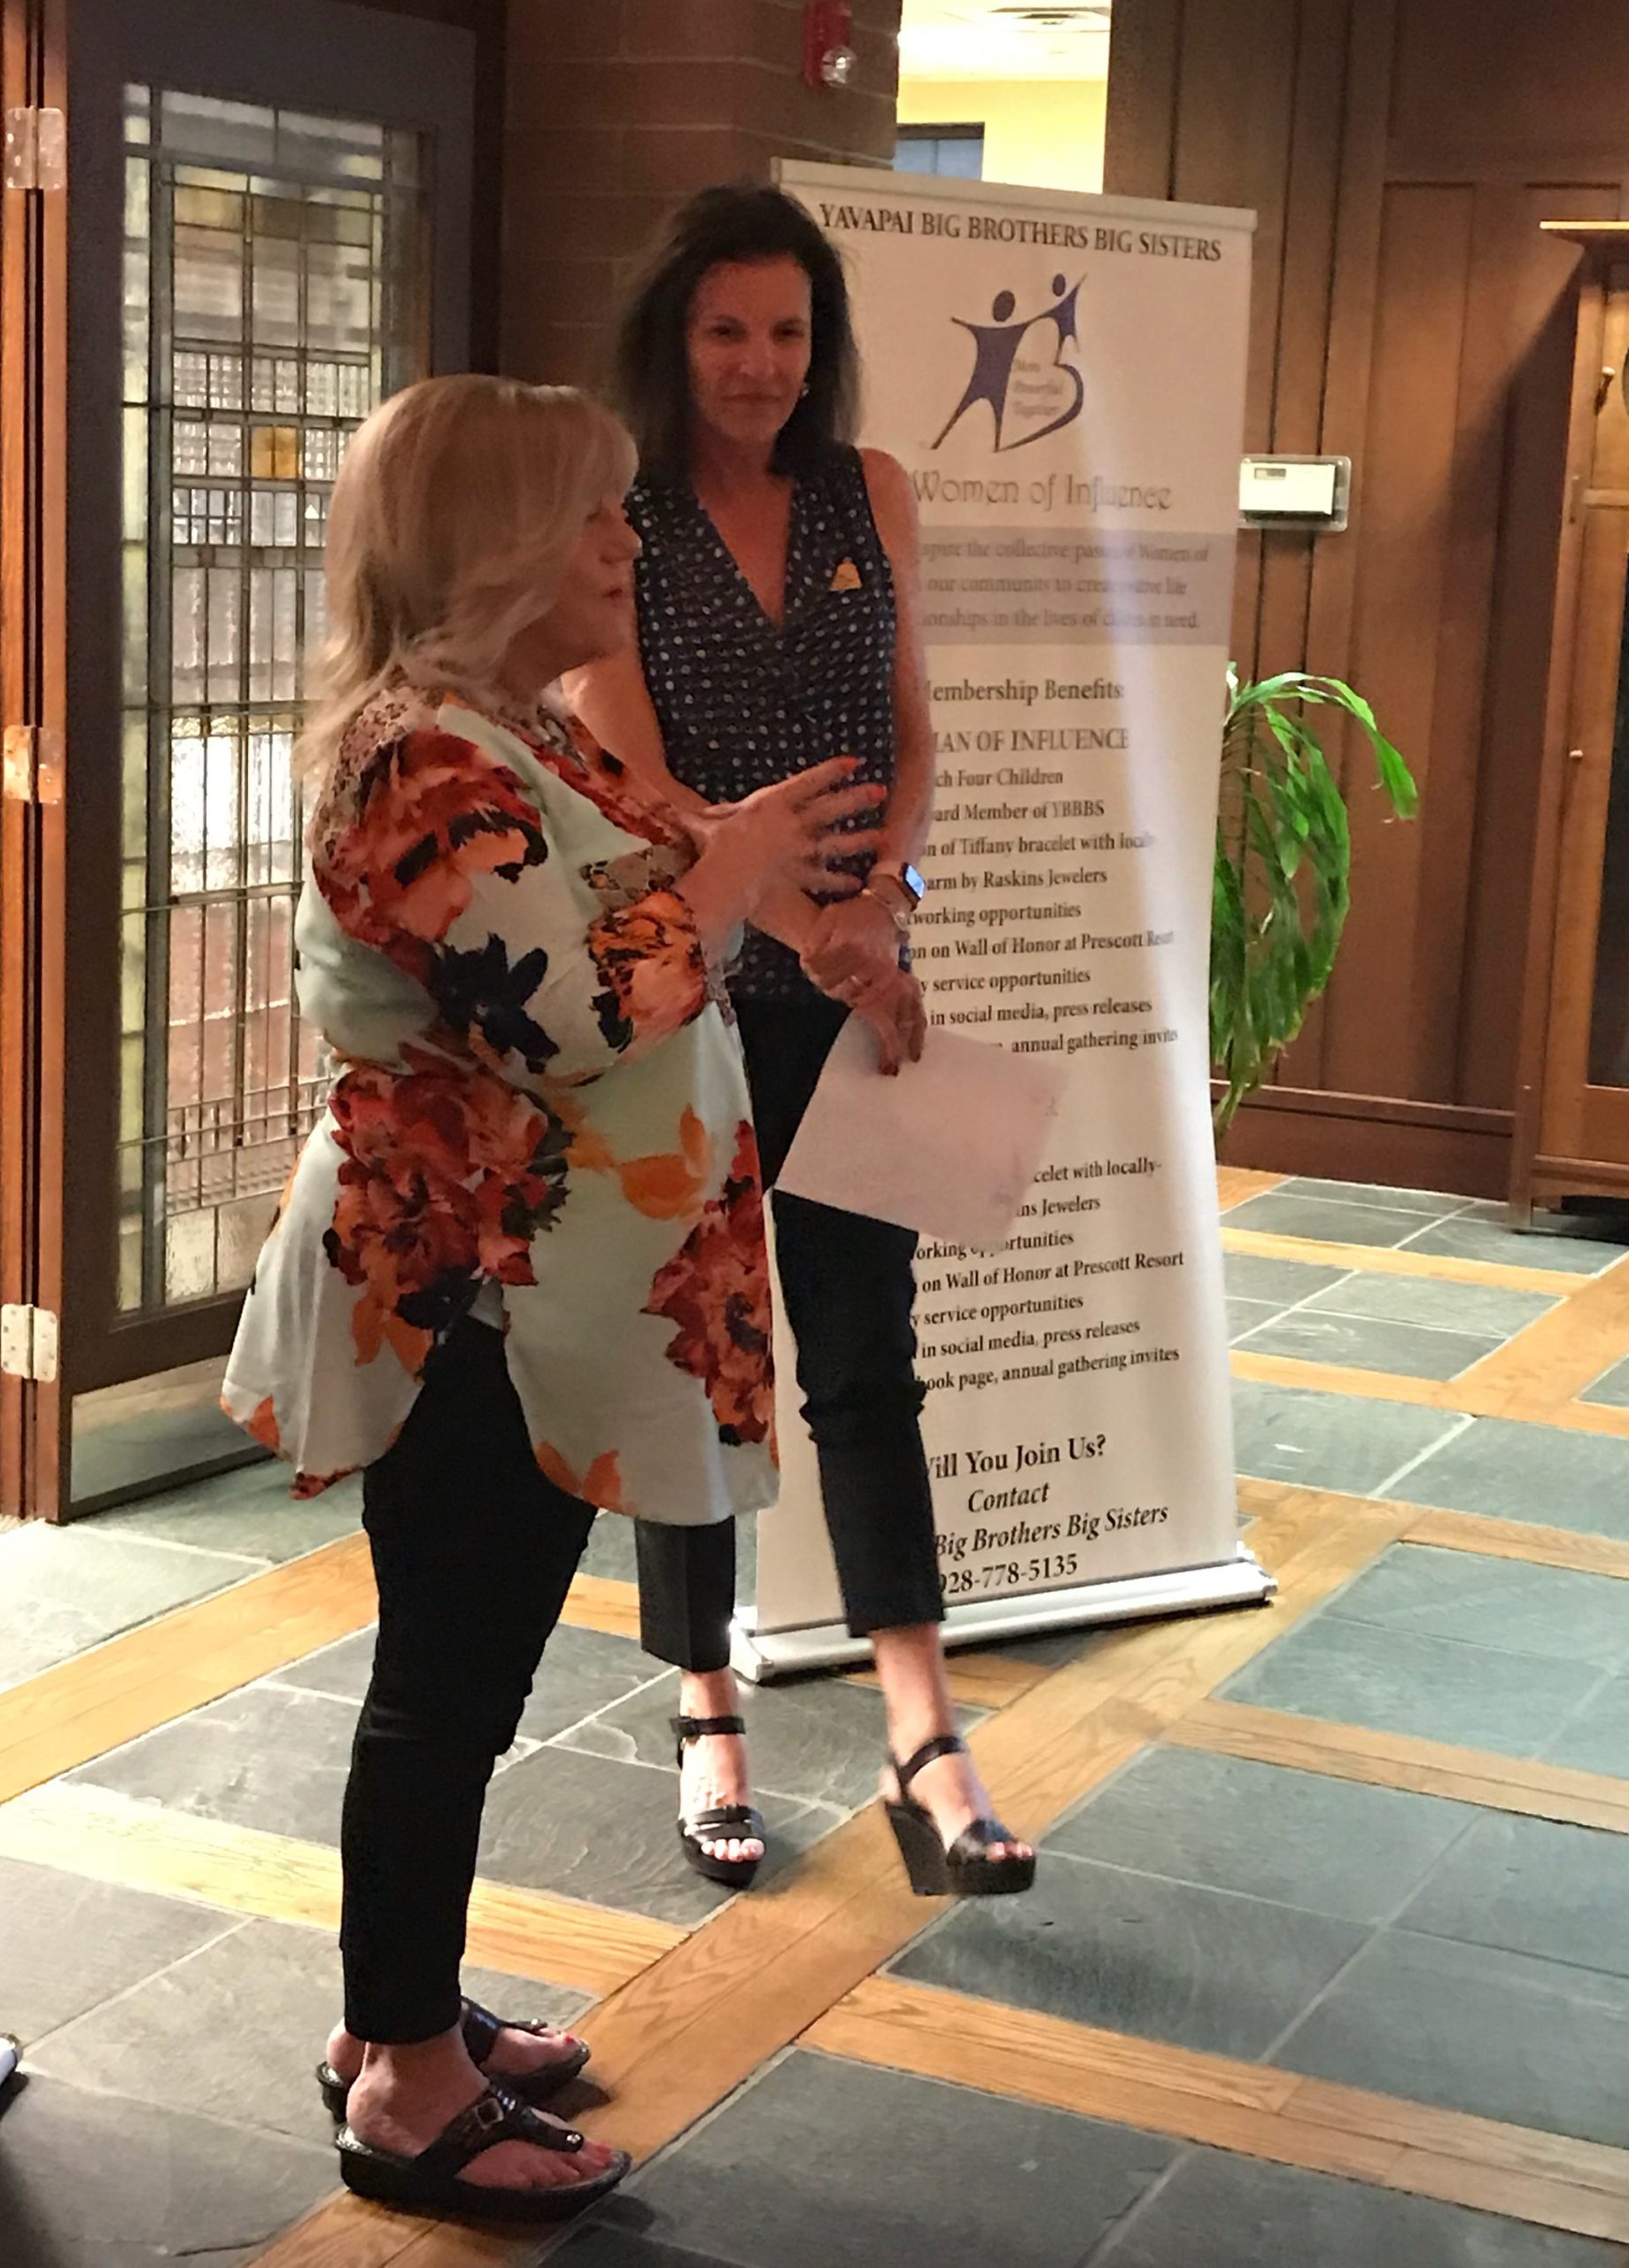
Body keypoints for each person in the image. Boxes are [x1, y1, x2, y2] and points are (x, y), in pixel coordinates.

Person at [221, 373, 881, 2220]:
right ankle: (405, 2082)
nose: (625, 539)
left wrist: (750, 869)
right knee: (448, 1683)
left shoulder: (506, 728)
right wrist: (729, 869)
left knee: (467, 1671)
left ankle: (403, 2012)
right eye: (591, 512)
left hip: (528, 1292)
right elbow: (576, 1011)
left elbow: (642, 899)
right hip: (473, 1303)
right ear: (496, 542)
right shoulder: (418, 761)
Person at [568, 184, 1036, 1903]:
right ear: (672, 338)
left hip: (859, 985)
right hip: (693, 994)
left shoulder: (870, 490)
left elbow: (912, 732)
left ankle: (925, 1730)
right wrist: (795, 924)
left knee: (865, 1356)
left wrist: (886, 904)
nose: (759, 363)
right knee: (704, 1359)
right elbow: (631, 777)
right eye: (725, 330)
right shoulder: (613, 510)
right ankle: (707, 1707)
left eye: (787, 330)